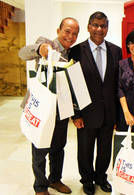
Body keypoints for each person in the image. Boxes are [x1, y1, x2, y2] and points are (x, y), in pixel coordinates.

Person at [18, 17, 80, 195]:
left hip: (61, 109)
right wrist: (40, 49)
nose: (70, 36)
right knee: (39, 149)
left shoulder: (73, 54)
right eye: (67, 31)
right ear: (58, 30)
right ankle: (40, 186)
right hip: (42, 110)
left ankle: (55, 179)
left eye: (74, 33)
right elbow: (22, 53)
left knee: (58, 148)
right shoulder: (46, 43)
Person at [69, 11, 122, 195]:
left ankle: (101, 177)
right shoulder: (76, 51)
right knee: (85, 150)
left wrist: (118, 114)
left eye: (103, 26)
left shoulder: (116, 51)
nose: (99, 29)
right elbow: (72, 85)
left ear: (107, 28)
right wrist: (75, 114)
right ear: (88, 27)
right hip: (86, 113)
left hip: (108, 112)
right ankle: (87, 179)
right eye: (95, 25)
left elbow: (118, 84)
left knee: (105, 150)